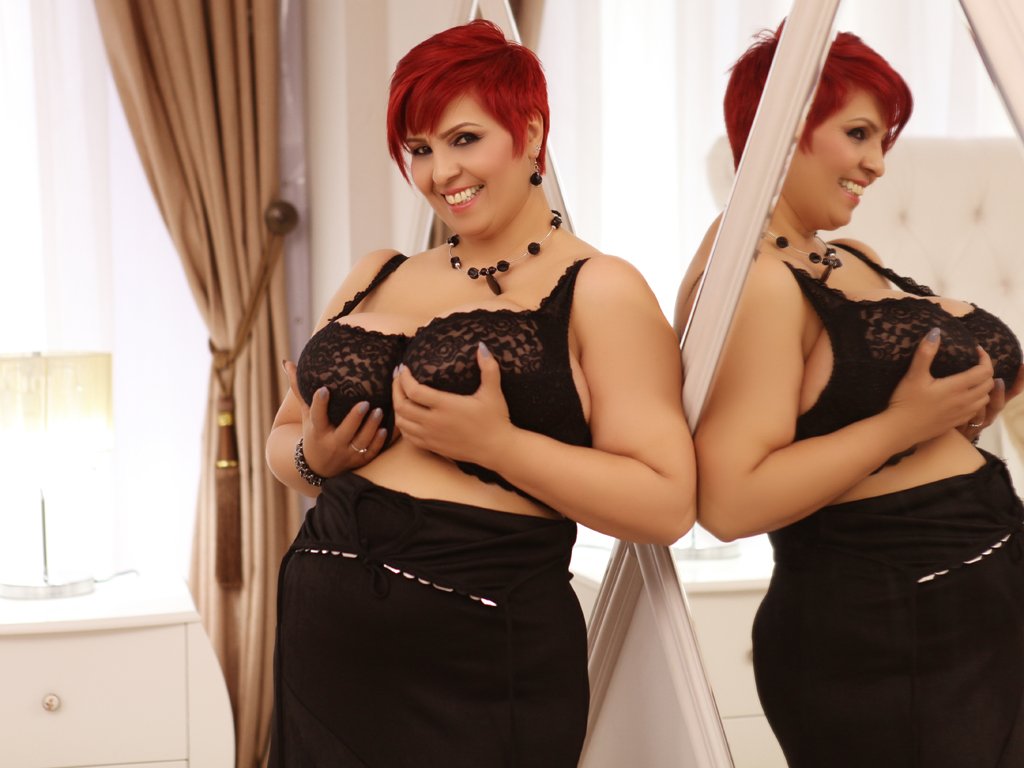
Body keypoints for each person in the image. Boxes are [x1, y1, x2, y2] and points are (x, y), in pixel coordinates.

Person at [266, 20, 695, 767]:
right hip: (322, 650)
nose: (440, 172)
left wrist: (498, 447)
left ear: (530, 134)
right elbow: (285, 438)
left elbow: (665, 503)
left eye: (464, 139)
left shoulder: (601, 288)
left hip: (480, 658)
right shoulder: (379, 272)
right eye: (420, 149)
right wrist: (314, 458)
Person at [676, 24, 1024, 768]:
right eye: (859, 133)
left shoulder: (846, 256)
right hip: (889, 634)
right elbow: (730, 503)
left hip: (979, 598)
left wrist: (958, 415)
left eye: (883, 140)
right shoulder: (754, 281)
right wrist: (906, 423)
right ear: (782, 129)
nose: (877, 163)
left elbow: (851, 409)